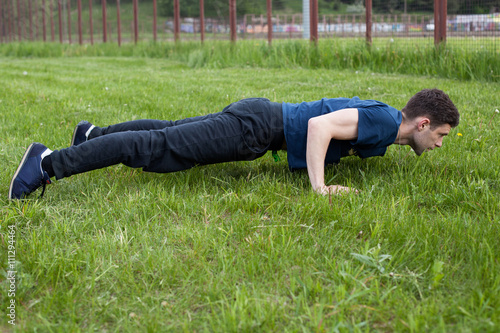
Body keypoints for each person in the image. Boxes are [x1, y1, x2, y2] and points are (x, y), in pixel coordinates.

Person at [8, 88, 459, 200]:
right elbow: (321, 127)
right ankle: (47, 163)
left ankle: (91, 135)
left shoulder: (385, 129)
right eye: (440, 135)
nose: (438, 144)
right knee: (156, 147)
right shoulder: (384, 123)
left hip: (258, 122)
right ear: (422, 123)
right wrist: (320, 189)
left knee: (166, 131)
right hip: (257, 129)